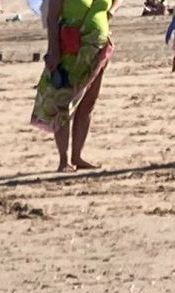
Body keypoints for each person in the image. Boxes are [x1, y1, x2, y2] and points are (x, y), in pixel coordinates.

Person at [30, 0, 116, 171]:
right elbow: (52, 18)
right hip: (71, 48)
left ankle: (77, 156)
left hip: (97, 48)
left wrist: (110, 12)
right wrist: (53, 50)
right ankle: (64, 159)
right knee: (64, 102)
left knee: (88, 103)